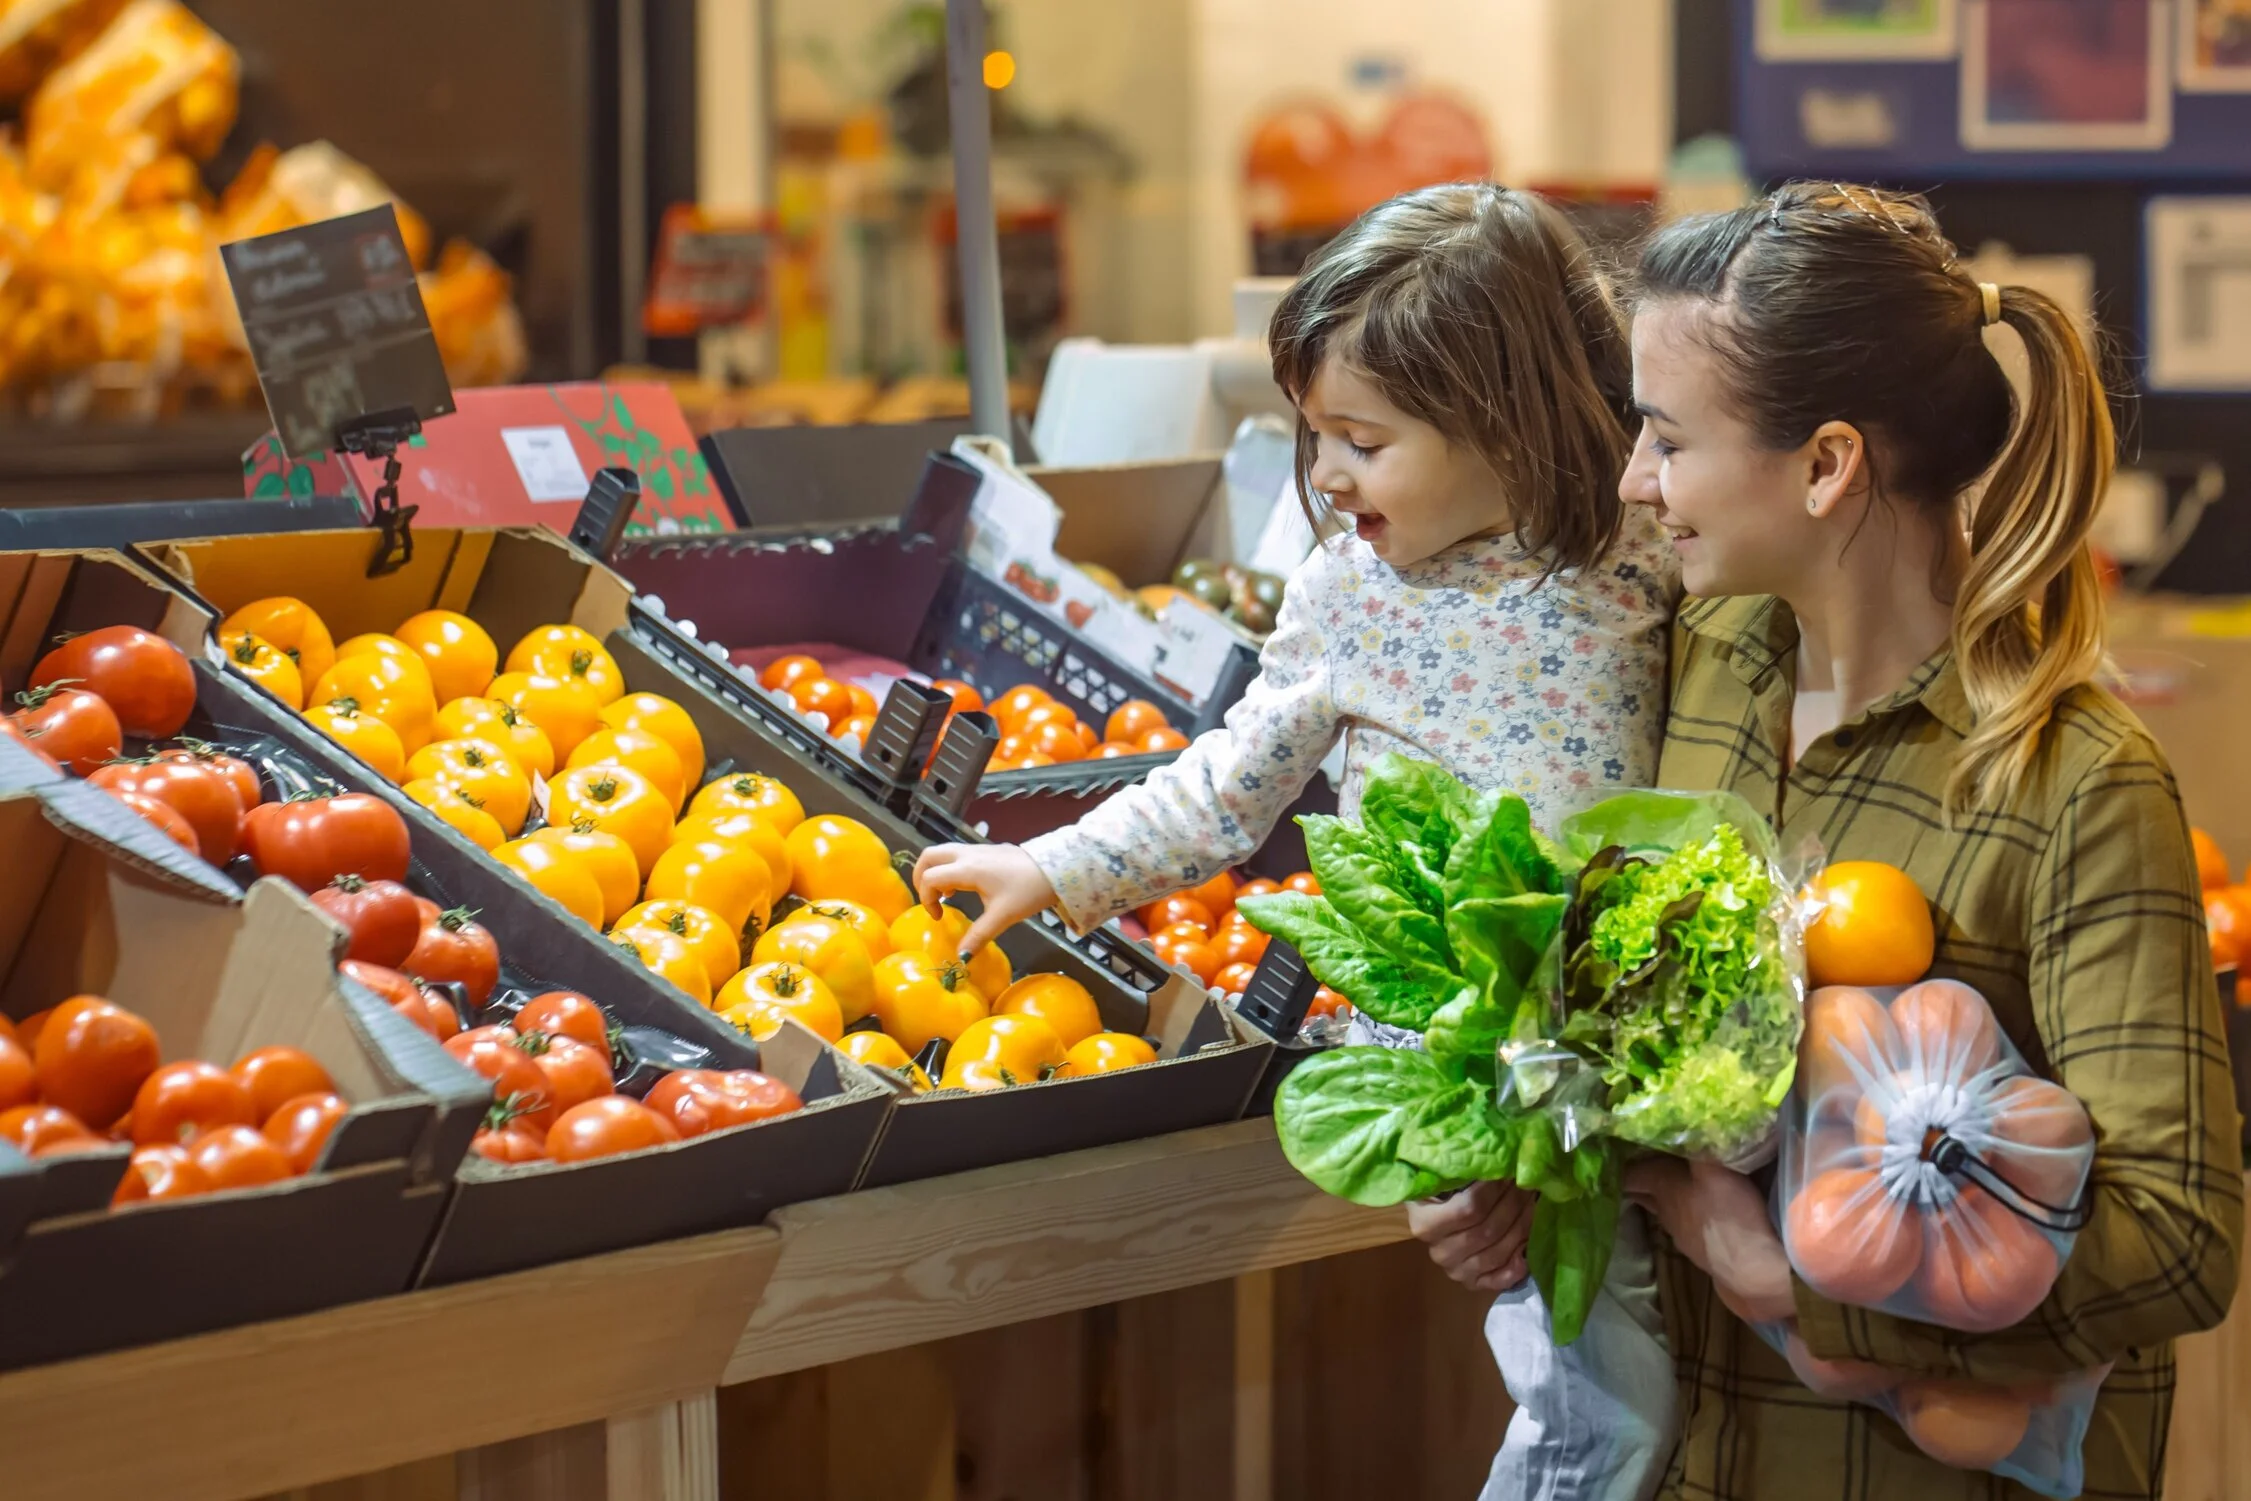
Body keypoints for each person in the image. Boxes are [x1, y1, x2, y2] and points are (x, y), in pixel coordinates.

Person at [1419, 179, 2244, 1498]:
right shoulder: (1698, 664)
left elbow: (2176, 1239)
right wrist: (1531, 1164)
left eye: (1668, 441)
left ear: (1824, 465)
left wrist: (1791, 1277)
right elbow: (1655, 1042)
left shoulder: (2070, 781)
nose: (1635, 481)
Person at [914, 181, 1682, 1500]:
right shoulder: (1350, 596)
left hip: (1622, 1022)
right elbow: (1224, 789)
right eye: (1310, 433)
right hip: (1462, 1039)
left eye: (1360, 440)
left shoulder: (1633, 548)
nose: (1322, 474)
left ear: (1501, 423)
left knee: (1655, 1351)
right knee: (1604, 1398)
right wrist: (1051, 867)